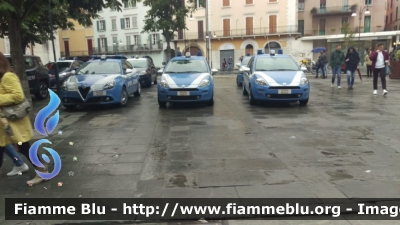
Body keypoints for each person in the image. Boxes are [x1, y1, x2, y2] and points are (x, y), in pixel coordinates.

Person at [0, 52, 47, 185]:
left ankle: (42, 171)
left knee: (23, 147)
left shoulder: (8, 76)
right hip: (4, 124)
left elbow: (18, 96)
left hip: (13, 122)